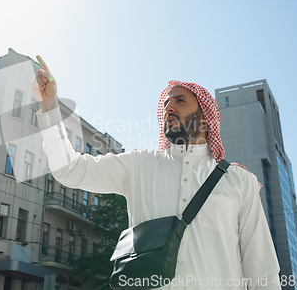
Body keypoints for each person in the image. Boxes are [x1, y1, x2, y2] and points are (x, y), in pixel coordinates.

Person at [31, 55, 281, 289]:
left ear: (205, 119)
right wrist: (50, 105)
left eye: (180, 101)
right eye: (166, 104)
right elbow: (69, 169)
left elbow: (263, 271)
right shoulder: (139, 165)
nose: (169, 107)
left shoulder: (238, 180)